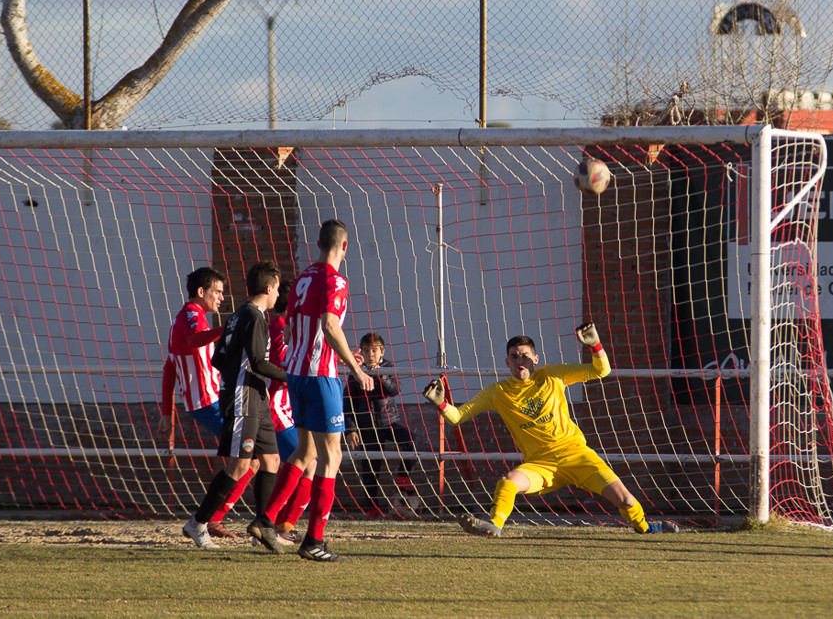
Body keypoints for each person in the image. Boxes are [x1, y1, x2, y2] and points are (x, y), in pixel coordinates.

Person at [422, 323, 680, 537]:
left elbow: (601, 371)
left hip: (577, 455)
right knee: (508, 481)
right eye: (514, 357)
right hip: (541, 464)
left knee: (626, 501)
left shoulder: (553, 375)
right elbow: (458, 416)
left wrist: (595, 345)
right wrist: (441, 403)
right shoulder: (497, 392)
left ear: (535, 359)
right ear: (507, 362)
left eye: (525, 356)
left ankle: (646, 528)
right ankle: (494, 525)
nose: (520, 361)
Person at [254, 219, 374, 562]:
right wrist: (355, 368)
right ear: (344, 246)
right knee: (332, 456)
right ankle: (314, 541)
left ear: (318, 244)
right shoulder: (335, 280)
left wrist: (329, 352)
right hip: (321, 376)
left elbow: (291, 329)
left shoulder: (303, 278)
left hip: (295, 374)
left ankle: (266, 520)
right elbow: (330, 325)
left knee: (305, 451)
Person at [186, 261, 290, 553]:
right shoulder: (254, 317)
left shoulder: (236, 316)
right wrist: (291, 376)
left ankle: (263, 526)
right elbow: (257, 362)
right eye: (277, 289)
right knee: (239, 465)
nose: (278, 294)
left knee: (271, 461)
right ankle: (198, 523)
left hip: (257, 398)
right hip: (244, 400)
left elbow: (218, 358)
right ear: (268, 288)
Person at [158, 266, 252, 544]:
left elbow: (169, 368)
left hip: (211, 401)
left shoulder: (185, 318)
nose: (222, 297)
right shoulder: (191, 315)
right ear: (201, 291)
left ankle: (211, 519)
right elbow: (195, 339)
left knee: (249, 459)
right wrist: (226, 330)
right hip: (207, 403)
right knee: (250, 458)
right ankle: (206, 521)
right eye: (218, 292)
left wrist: (166, 413)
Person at [345, 332, 419, 519]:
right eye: (366, 350)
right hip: (367, 428)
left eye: (374, 350)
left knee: (410, 440)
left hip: (389, 422)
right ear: (361, 352)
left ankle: (403, 476)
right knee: (370, 469)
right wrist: (351, 430)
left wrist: (379, 373)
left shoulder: (388, 368)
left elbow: (394, 390)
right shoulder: (355, 374)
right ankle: (372, 508)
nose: (370, 354)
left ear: (382, 352)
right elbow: (348, 404)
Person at [266, 280, 315, 545]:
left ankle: (278, 524)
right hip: (277, 405)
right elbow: (284, 366)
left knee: (298, 462)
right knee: (308, 462)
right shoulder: (279, 326)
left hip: (288, 406)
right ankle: (276, 524)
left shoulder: (285, 326)